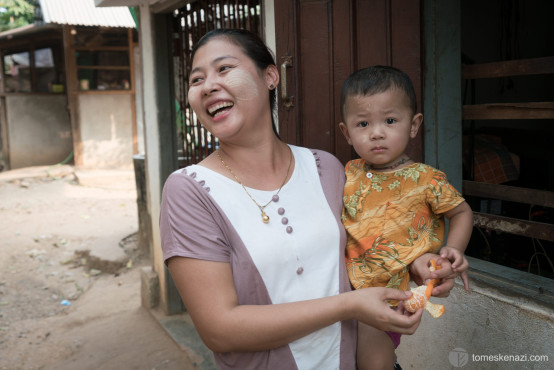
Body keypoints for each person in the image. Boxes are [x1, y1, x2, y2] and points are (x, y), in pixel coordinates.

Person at [338, 65, 473, 370]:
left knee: (374, 361)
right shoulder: (347, 173)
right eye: (362, 123)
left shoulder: (426, 179)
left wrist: (454, 248)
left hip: (389, 297)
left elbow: (461, 211)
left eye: (389, 120)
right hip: (342, 293)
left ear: (413, 125)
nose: (376, 132)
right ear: (346, 132)